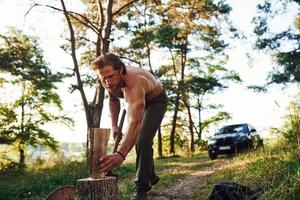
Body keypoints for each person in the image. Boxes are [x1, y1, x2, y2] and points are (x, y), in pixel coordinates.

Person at [90, 53, 167, 200]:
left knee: (143, 140)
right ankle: (150, 175)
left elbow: (135, 123)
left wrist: (121, 154)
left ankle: (141, 188)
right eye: (103, 78)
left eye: (111, 76)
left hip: (155, 101)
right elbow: (113, 100)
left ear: (121, 70)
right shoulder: (106, 80)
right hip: (136, 102)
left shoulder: (135, 83)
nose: (107, 82)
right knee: (138, 138)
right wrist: (114, 125)